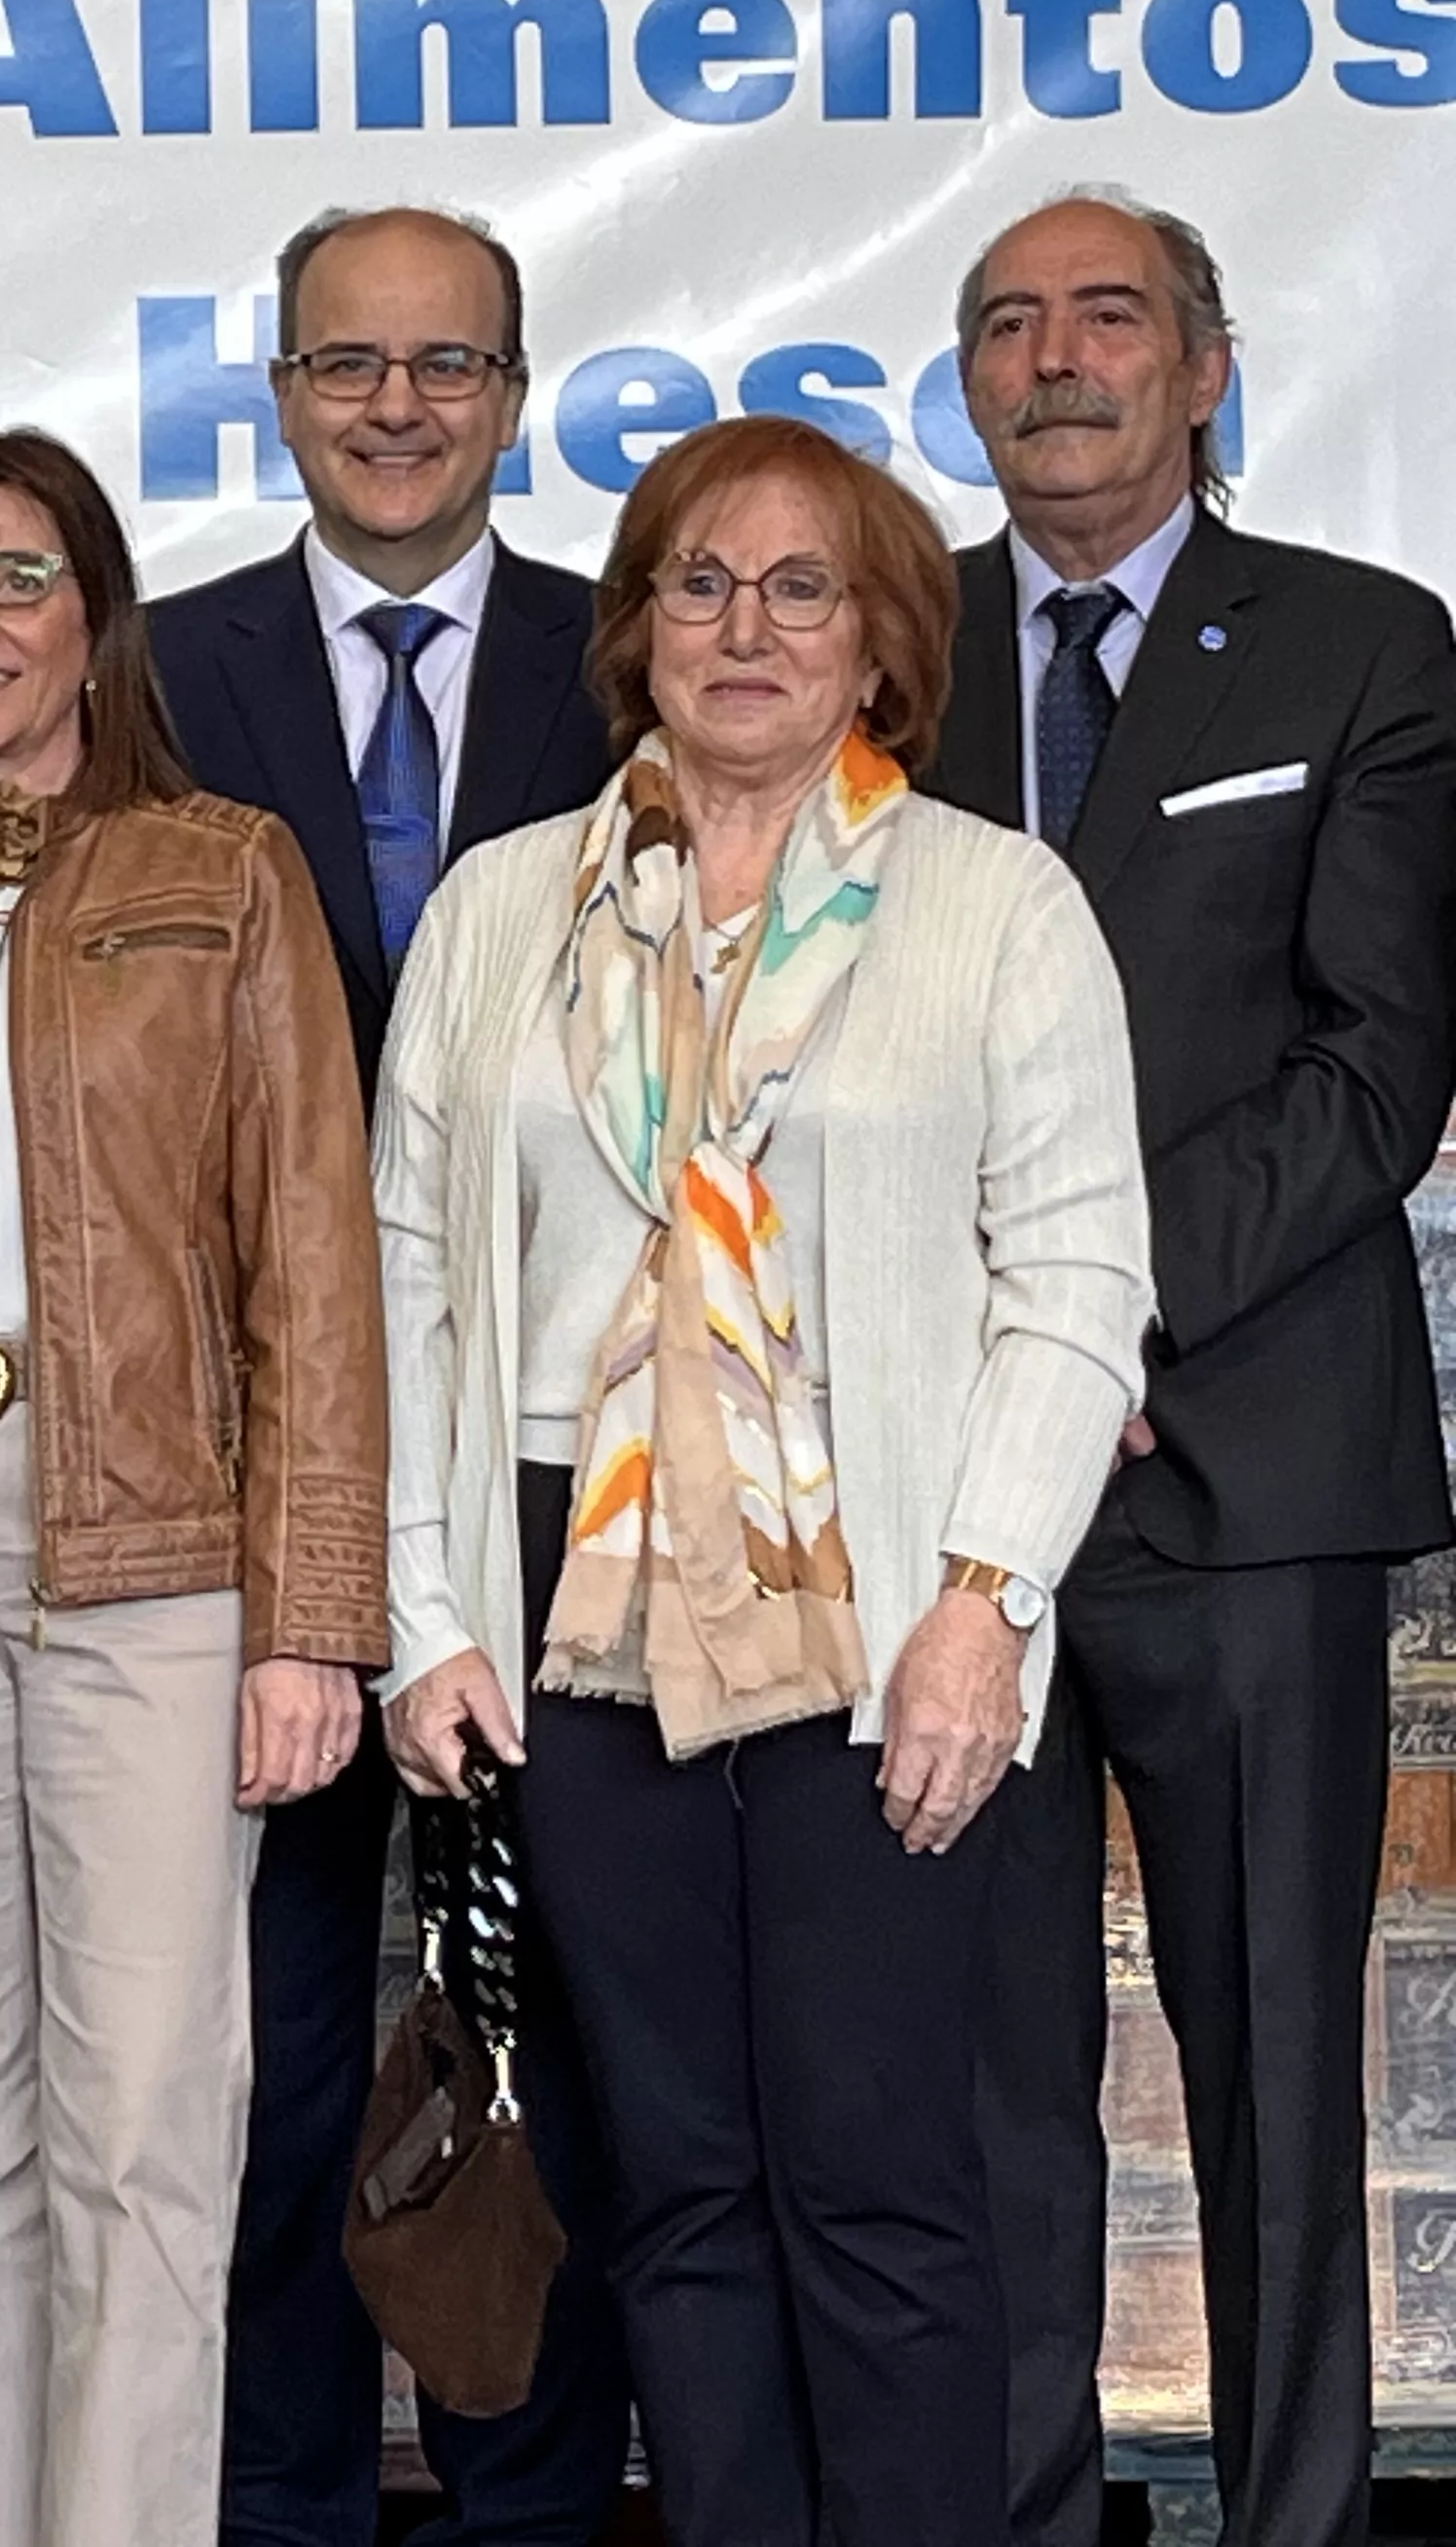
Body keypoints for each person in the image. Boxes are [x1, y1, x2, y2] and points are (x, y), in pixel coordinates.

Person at [379, 414, 1151, 2547]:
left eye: (801, 587)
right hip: (570, 1584)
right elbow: (405, 1276)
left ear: (882, 642)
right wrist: (418, 1613)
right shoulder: (498, 908)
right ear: (636, 627)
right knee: (681, 2187)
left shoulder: (995, 903)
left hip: (888, 1584)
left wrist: (987, 1605)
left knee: (881, 2180)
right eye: (700, 584)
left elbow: (1079, 1276)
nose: (745, 627)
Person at [0, 425, 383, 2547]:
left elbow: (316, 1253)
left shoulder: (220, 873)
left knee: (143, 2127)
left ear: (93, 618)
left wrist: (316, 1615)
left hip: (144, 1541)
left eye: (15, 579)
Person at [930, 194, 1456, 2547]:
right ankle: (1027, 2515)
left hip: (1243, 1460)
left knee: (1273, 2074)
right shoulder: (879, 645)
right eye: (1010, 324)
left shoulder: (1363, 646)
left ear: (1208, 367)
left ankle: (1302, 2522)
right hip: (949, 1495)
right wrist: (997, 1352)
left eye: (1107, 318)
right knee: (980, 2081)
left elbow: (1381, 1062)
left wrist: (1098, 1321)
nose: (1058, 362)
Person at [143, 208, 628, 2547]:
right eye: (351, 363)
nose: (400, 405)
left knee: (560, 2038)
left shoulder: (634, 660)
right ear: (280, 391)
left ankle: (531, 2501)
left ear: (517, 396)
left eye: (449, 367)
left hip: (565, 1463)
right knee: (274, 2054)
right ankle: (288, 2506)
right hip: (241, 1476)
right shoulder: (156, 667)